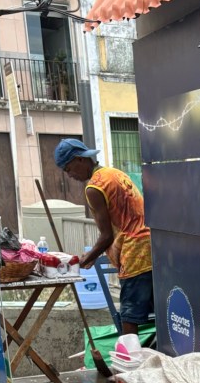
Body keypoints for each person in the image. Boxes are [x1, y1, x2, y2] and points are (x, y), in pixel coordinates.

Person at [54, 138, 153, 335]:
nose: (70, 176)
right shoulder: (114, 173)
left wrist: (85, 259)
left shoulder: (94, 188)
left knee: (129, 316)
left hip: (136, 253)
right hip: (152, 244)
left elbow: (106, 236)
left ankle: (131, 354)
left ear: (80, 159)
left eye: (68, 169)